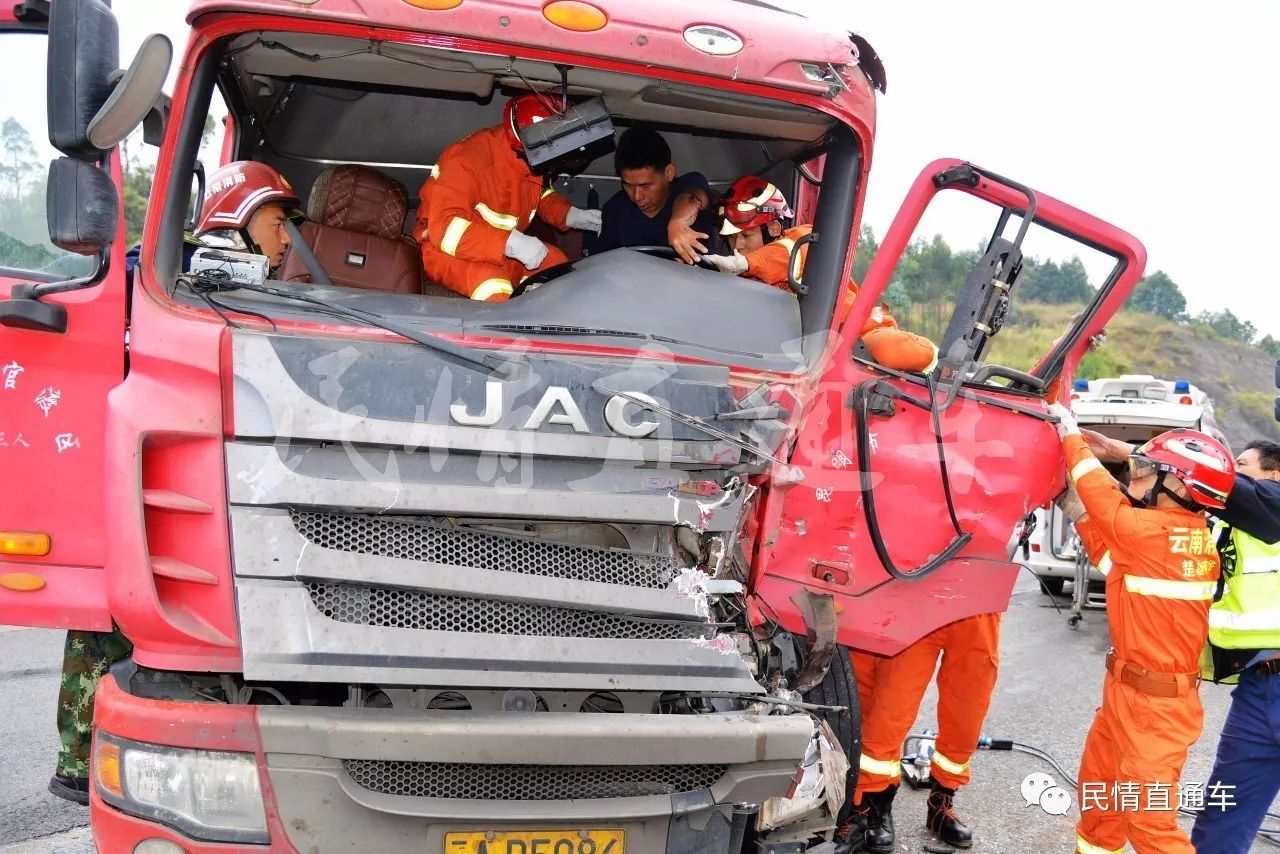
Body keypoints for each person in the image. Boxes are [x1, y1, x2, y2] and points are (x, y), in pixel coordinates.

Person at [48, 160, 301, 806]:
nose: (286, 240)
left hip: (210, 480)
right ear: (235, 222)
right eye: (276, 223)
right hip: (146, 471)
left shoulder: (260, 285)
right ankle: (80, 760)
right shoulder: (161, 280)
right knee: (110, 617)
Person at [1086, 433, 1280, 853]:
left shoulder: (1270, 513)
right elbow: (1140, 561)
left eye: (1241, 466)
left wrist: (1128, 453)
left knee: (1152, 821)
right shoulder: (1210, 530)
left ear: (1273, 479)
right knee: (1222, 818)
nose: (1231, 475)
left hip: (1235, 692)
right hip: (1258, 688)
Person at [1055, 414, 1235, 854]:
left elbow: (1101, 496)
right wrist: (1075, 511)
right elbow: (1114, 562)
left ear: (1176, 486)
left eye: (1146, 471)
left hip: (1154, 709)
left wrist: (1069, 436)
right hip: (1129, 693)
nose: (1135, 479)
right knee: (1101, 800)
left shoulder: (1150, 533)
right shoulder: (1179, 536)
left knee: (1151, 826)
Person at [706, 176, 938, 374]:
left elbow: (787, 253)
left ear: (774, 229)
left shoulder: (805, 240)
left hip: (861, 337)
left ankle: (936, 362)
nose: (738, 245)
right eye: (732, 237)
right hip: (815, 360)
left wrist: (746, 263)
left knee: (890, 350)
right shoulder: (744, 276)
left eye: (746, 236)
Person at [415, 94, 603, 301]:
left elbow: (538, 194)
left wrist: (570, 215)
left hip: (502, 250)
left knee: (557, 266)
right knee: (493, 285)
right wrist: (512, 243)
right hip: (447, 252)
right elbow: (443, 229)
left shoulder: (532, 158)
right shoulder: (464, 160)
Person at [840, 613, 1001, 852]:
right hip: (921, 596)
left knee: (966, 717)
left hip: (978, 607)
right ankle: (875, 807)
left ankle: (941, 802)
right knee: (890, 712)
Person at [594, 125, 719, 262]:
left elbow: (693, 198)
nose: (637, 196)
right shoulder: (615, 210)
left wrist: (678, 223)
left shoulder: (689, 184)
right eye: (628, 185)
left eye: (645, 186)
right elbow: (601, 264)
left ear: (669, 173)